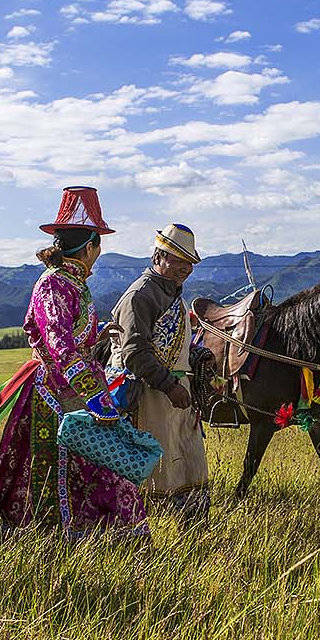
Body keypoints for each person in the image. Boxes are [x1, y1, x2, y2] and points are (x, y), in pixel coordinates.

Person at [0, 186, 151, 540]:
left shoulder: (72, 283)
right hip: (55, 395)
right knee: (92, 466)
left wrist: (96, 334)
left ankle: (97, 538)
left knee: (100, 465)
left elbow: (67, 334)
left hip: (76, 390)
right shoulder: (54, 285)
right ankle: (63, 538)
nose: (99, 253)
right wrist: (96, 399)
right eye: (99, 245)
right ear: (89, 247)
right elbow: (60, 347)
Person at [109, 224, 209, 527]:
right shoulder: (140, 296)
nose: (185, 268)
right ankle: (153, 529)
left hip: (174, 394)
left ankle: (192, 531)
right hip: (149, 395)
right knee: (159, 467)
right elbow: (135, 353)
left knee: (185, 459)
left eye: (189, 262)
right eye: (178, 260)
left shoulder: (171, 295)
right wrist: (169, 386)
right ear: (158, 257)